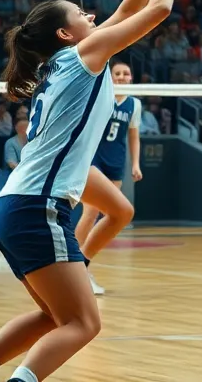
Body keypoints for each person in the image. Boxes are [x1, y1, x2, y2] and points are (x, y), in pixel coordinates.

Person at [0, 0, 191, 382]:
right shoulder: (82, 57)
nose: (92, 16)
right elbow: (157, 11)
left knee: (54, 318)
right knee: (83, 323)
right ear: (65, 33)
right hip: (37, 209)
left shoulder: (60, 64)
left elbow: (124, 13)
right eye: (81, 15)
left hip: (15, 206)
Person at [75, 59, 142, 296]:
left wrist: (135, 163)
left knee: (111, 214)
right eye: (118, 73)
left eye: (126, 74)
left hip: (116, 162)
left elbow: (133, 135)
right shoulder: (101, 96)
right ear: (110, 77)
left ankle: (81, 264)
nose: (122, 77)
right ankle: (75, 267)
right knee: (90, 212)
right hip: (94, 160)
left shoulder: (135, 104)